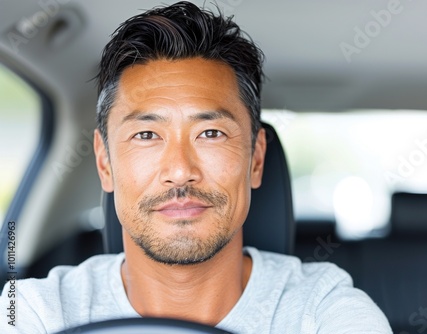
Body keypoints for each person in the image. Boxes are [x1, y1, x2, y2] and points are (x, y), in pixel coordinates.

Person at [0, 2, 391, 333]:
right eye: (147, 135)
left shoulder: (323, 314)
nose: (180, 170)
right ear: (105, 163)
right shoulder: (38, 313)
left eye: (210, 133)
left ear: (256, 160)